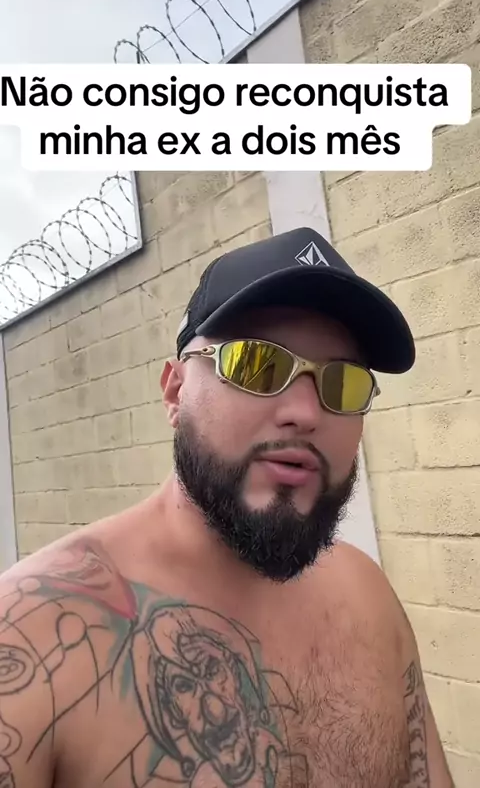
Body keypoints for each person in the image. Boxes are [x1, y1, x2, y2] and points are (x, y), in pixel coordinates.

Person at [0, 226, 453, 788]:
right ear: (175, 392)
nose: (306, 412)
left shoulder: (369, 599)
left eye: (343, 382)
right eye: (255, 364)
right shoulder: (29, 638)